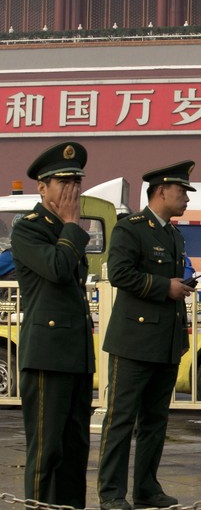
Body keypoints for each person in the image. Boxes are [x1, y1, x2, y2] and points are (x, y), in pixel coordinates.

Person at [97, 161, 197, 510]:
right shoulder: (132, 229)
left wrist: (179, 290)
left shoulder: (173, 235)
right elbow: (120, 273)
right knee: (121, 419)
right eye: (182, 191)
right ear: (161, 191)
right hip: (134, 342)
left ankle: (146, 488)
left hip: (165, 342)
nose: (186, 199)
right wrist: (163, 286)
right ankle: (111, 493)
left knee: (155, 421)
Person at [10, 142, 94, 509]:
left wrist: (71, 227)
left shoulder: (67, 232)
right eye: (64, 182)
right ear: (42, 188)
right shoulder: (29, 229)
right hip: (47, 355)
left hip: (75, 354)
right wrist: (73, 225)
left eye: (77, 182)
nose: (72, 190)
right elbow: (58, 269)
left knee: (75, 451)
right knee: (46, 451)